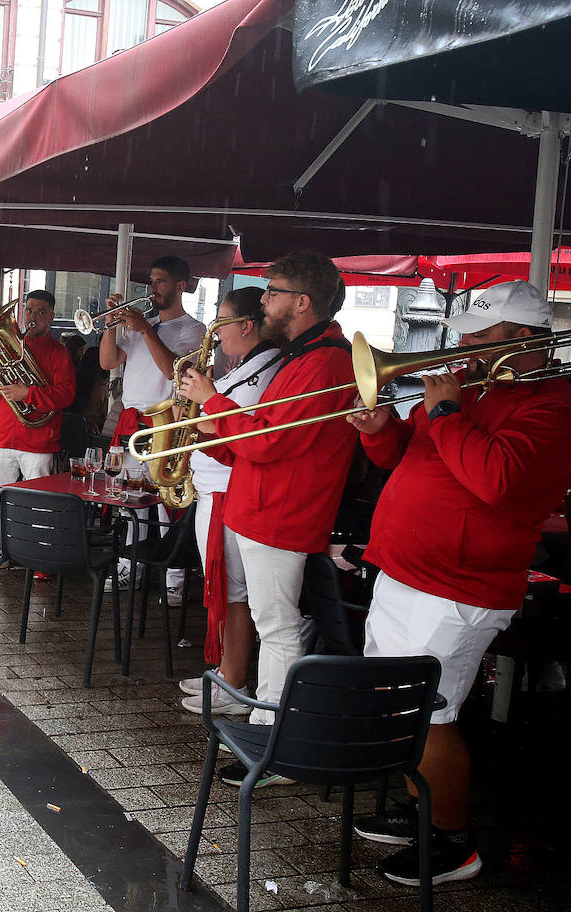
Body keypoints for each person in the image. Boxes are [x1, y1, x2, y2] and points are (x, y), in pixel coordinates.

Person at [346, 280, 571, 886]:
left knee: (429, 715)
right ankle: (424, 807)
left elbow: (500, 482)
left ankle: (452, 842)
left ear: (526, 338)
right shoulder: (472, 389)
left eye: (482, 335)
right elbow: (402, 459)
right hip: (406, 571)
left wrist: (448, 412)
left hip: (456, 587)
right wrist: (377, 428)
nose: (467, 346)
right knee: (400, 707)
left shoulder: (557, 408)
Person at [178, 251, 357, 781]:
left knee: (278, 630)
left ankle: (271, 746)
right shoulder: (303, 357)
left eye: (273, 291)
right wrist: (217, 442)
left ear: (302, 303)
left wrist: (212, 403)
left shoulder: (324, 362)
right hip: (265, 506)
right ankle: (269, 733)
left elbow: (271, 438)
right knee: (271, 624)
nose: (264, 300)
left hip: (282, 512)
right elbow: (268, 433)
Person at [174, 288, 280, 715]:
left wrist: (204, 402)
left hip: (227, 488)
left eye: (221, 324)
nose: (215, 337)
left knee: (233, 591)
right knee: (227, 589)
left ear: (247, 325)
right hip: (217, 486)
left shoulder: (264, 369)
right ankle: (227, 672)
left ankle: (234, 682)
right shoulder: (251, 365)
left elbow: (241, 429)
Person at [100, 255, 205, 603]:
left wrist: (144, 329)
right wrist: (110, 324)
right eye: (151, 280)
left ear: (181, 286)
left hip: (165, 425)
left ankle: (174, 577)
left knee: (166, 506)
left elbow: (173, 371)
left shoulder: (194, 330)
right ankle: (132, 566)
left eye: (160, 281)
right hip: (133, 424)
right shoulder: (146, 327)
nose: (152, 287)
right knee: (132, 503)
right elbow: (108, 361)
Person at [0, 291, 76, 573]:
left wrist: (29, 392)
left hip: (39, 438)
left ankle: (41, 554)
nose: (33, 316)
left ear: (51, 316)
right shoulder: (9, 347)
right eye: (29, 310)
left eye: (40, 312)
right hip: (3, 434)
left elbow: (66, 394)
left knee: (40, 502)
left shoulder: (59, 352)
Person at [64, 331, 109, 436]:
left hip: (71, 425)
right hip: (90, 430)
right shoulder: (101, 388)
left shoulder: (76, 377)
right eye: (81, 350)